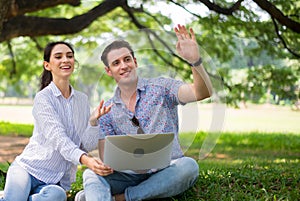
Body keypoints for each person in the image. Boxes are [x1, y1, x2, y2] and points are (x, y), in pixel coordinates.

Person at [79, 24, 213, 201]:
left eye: (127, 59)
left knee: (189, 166)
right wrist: (94, 127)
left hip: (167, 170)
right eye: (116, 63)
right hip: (128, 176)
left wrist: (195, 62)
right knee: (91, 176)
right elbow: (107, 159)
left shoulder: (162, 87)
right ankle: (106, 194)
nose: (124, 66)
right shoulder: (106, 110)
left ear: (135, 61)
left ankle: (122, 198)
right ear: (108, 71)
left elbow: (201, 92)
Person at [0, 41, 112, 201]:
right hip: (27, 169)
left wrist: (93, 122)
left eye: (70, 56)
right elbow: (60, 140)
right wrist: (87, 161)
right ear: (47, 65)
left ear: (74, 63)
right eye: (58, 57)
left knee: (57, 196)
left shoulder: (82, 100)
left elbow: (84, 146)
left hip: (53, 180)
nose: (65, 60)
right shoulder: (43, 98)